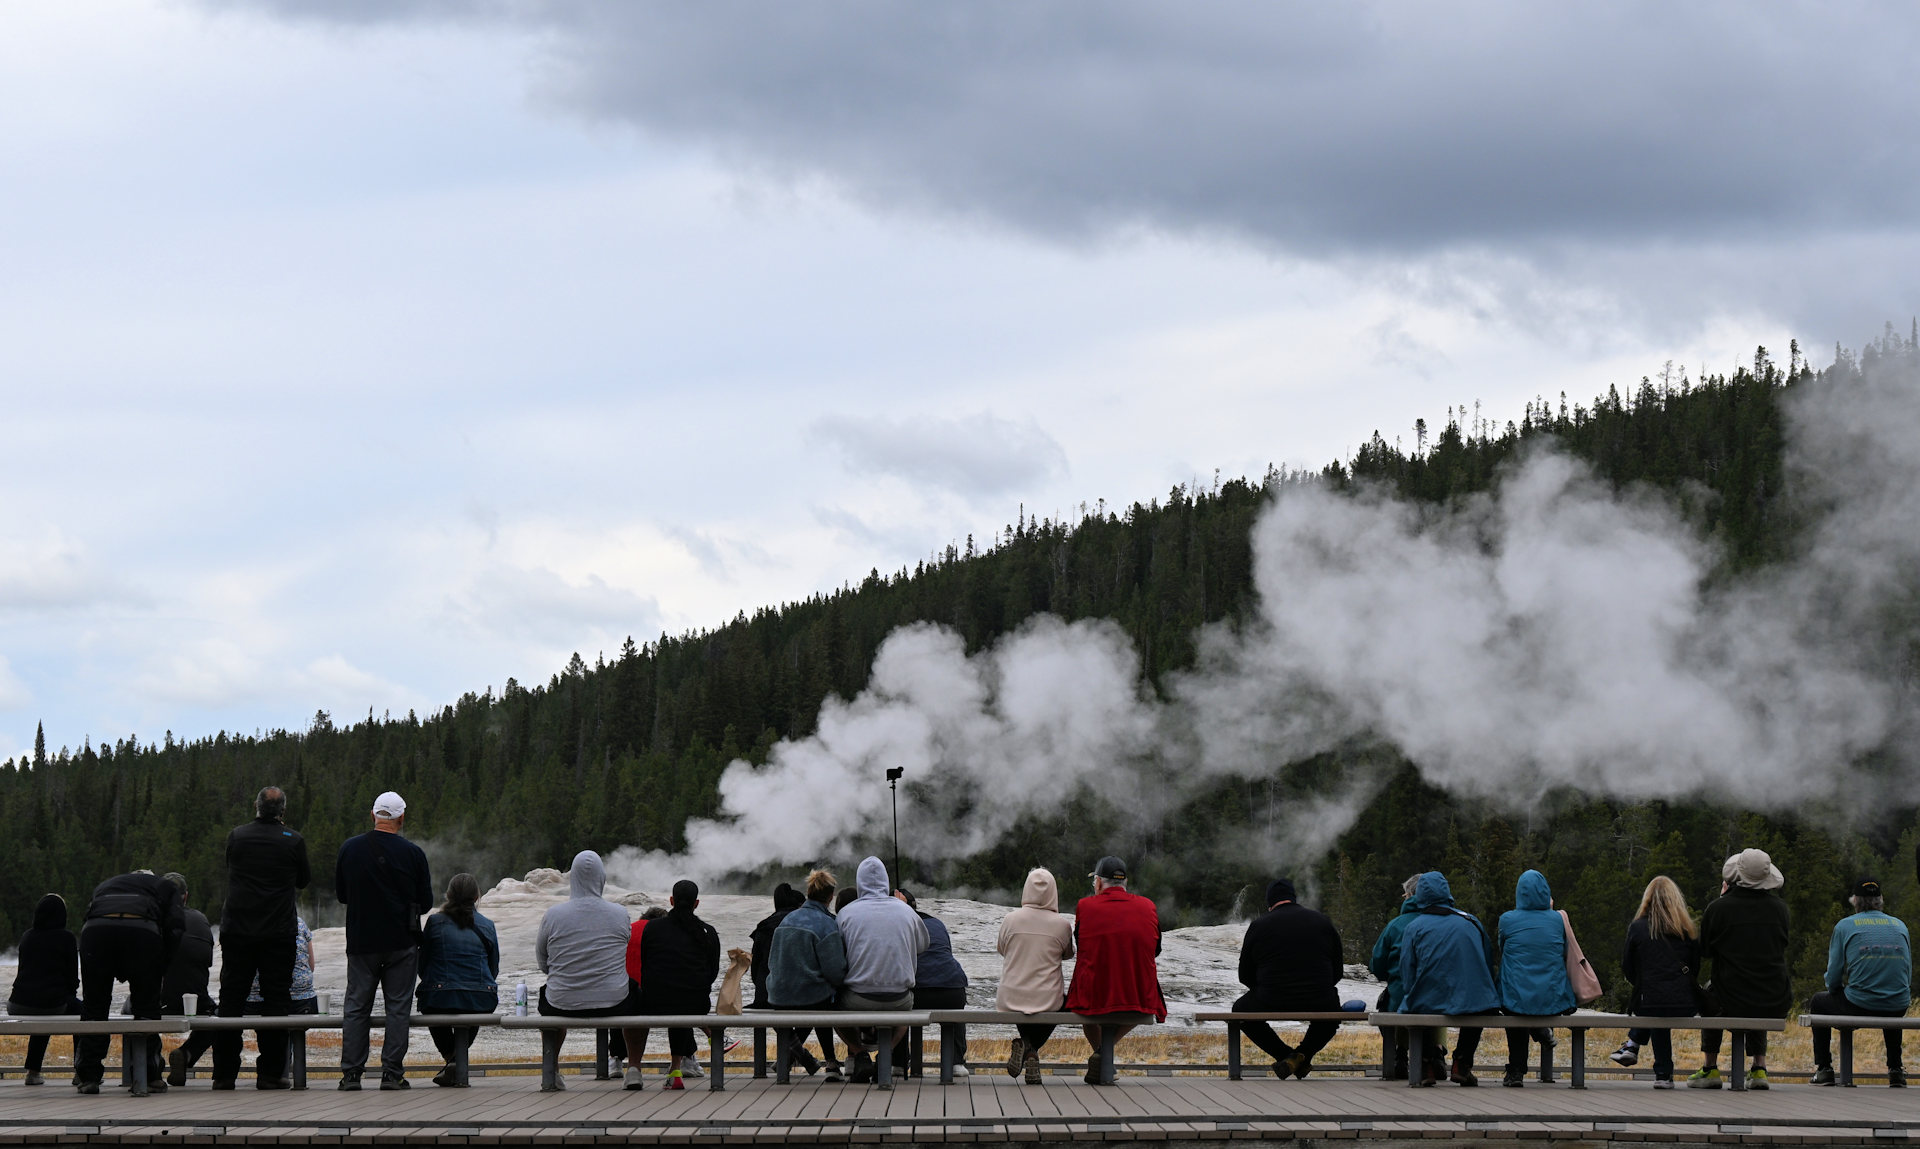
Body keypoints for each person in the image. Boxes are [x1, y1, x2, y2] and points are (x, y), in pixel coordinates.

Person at [335, 790, 433, 1091]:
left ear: (373, 815)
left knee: (356, 1007)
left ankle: (351, 1074)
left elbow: (342, 896)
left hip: (362, 940)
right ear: (401, 818)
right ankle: (392, 1074)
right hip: (401, 943)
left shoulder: (349, 849)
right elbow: (426, 902)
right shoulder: (413, 853)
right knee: (398, 1008)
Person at [214, 785, 310, 1090]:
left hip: (238, 928)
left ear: (256, 807)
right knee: (276, 1001)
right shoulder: (293, 840)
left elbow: (231, 865)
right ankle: (270, 1073)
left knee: (231, 1000)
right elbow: (304, 880)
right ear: (283, 811)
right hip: (277, 931)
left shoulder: (237, 836)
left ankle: (224, 1075)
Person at [73, 870, 185, 1095]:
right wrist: (161, 965)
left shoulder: (107, 883)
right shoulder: (168, 887)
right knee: (146, 1008)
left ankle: (88, 1077)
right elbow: (175, 927)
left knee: (95, 1007)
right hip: (141, 933)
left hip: (96, 933)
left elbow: (89, 917)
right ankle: (150, 1075)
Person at [533, 849, 635, 1092]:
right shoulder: (620, 913)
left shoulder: (553, 915)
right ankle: (634, 1069)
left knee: (548, 995)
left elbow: (542, 962)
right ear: (602, 878)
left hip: (562, 999)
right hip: (614, 999)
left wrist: (565, 975)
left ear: (573, 879)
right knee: (637, 996)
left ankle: (553, 1070)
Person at [1691, 848, 1790, 1090]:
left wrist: (1723, 900)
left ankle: (1710, 1068)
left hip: (1729, 998)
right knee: (1758, 990)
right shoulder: (1780, 909)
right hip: (1774, 996)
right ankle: (1759, 1068)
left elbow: (1704, 950)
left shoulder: (1719, 908)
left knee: (1711, 992)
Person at [1063, 855, 1168, 1085]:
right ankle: (1103, 1056)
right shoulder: (1148, 906)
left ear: (1099, 883)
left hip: (1094, 993)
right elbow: (1156, 949)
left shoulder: (1085, 906)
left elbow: (1082, 945)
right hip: (1138, 992)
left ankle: (1102, 1054)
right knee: (1138, 1007)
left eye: (1094, 882)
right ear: (1125, 882)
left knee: (1087, 1011)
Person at [1232, 878, 1344, 1080]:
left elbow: (1244, 975)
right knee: (1333, 1012)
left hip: (1272, 997)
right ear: (1293, 898)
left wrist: (1263, 989)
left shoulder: (1259, 925)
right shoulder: (1322, 921)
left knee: (1240, 1011)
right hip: (1318, 998)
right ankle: (1304, 1055)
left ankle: (1286, 1055)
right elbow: (1337, 972)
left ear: (1270, 902)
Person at [1397, 870, 1498, 1087]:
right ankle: (1462, 1063)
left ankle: (1426, 1065)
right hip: (1470, 999)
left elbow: (1407, 969)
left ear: (1420, 895)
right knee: (1478, 1005)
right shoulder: (1471, 922)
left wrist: (1410, 992)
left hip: (1428, 998)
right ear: (1446, 893)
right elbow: (1488, 964)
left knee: (1412, 1007)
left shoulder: (1414, 927)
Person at [1810, 878, 1910, 1088]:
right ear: (1880, 900)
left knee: (1819, 1001)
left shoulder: (1845, 926)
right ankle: (1896, 1070)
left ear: (1855, 901)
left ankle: (1824, 1069)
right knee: (1889, 995)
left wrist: (1835, 990)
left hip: (1859, 1004)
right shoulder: (1900, 925)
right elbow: (1905, 970)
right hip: (1898, 1004)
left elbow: (1834, 974)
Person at [835, 857, 928, 1084]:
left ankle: (858, 1053)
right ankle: (884, 1055)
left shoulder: (846, 914)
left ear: (859, 883)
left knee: (834, 1009)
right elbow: (923, 945)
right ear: (886, 882)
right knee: (905, 1014)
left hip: (857, 997)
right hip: (898, 998)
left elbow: (838, 953)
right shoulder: (906, 912)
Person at [627, 880, 721, 1090]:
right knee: (683, 996)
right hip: (697, 1004)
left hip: (655, 1002)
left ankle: (634, 1068)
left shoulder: (652, 928)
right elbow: (712, 973)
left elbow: (646, 966)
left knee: (663, 995)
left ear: (671, 900)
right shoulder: (708, 931)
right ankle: (675, 1069)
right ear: (696, 903)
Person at [1610, 875, 1701, 1089]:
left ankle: (1634, 1047)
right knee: (1660, 1005)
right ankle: (1660, 1072)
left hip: (1649, 1001)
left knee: (1654, 1005)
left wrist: (1643, 984)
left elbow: (1628, 966)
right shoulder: (1688, 929)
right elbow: (1695, 968)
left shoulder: (1638, 928)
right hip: (1684, 1003)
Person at [417, 874, 499, 1088]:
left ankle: (452, 1060)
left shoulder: (435, 922)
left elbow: (422, 965)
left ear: (449, 894)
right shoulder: (488, 925)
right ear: (476, 896)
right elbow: (493, 969)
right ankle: (455, 1062)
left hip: (439, 994)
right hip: (481, 997)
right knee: (475, 1003)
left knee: (431, 1005)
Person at [1495, 869, 1575, 1087]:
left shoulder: (1507, 920)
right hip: (1553, 998)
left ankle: (1516, 1071)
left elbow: (1502, 949)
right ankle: (1539, 1029)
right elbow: (1564, 951)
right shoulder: (1557, 920)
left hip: (1516, 999)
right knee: (1528, 1000)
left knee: (1515, 1009)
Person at [997, 867, 1075, 1085]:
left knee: (1024, 1002)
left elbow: (1002, 949)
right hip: (1047, 997)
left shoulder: (1009, 919)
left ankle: (1027, 1046)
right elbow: (1068, 955)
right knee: (1059, 1003)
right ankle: (1031, 1050)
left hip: (1010, 995)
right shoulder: (1062, 925)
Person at [768, 869, 847, 1081]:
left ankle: (791, 1056)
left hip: (777, 995)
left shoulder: (786, 920)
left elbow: (772, 962)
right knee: (823, 995)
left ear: (808, 892)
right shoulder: (827, 924)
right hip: (808, 996)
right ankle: (831, 1062)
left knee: (812, 993)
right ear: (831, 897)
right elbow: (835, 971)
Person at [891, 888, 969, 1077]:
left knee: (897, 1005)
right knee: (955, 1011)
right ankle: (956, 1062)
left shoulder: (895, 924)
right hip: (952, 988)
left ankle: (898, 1063)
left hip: (916, 991)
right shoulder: (937, 923)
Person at [6, 894, 81, 1086]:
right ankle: (82, 1071)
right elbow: (72, 977)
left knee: (42, 1011)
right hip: (52, 1003)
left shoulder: (27, 936)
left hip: (17, 1004)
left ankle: (33, 1072)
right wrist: (69, 995)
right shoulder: (66, 938)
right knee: (84, 1015)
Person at [160, 873, 216, 1086]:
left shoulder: (154, 920)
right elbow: (208, 963)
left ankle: (150, 1065)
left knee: (134, 1010)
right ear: (186, 896)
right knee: (216, 1019)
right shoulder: (201, 919)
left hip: (159, 1003)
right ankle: (187, 1054)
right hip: (197, 1002)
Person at [1368, 875, 1423, 1080]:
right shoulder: (1448, 921)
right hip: (1444, 998)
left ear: (1409, 896)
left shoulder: (1396, 925)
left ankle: (1399, 1055)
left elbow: (1377, 965)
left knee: (1392, 1002)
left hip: (1404, 996)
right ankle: (1436, 1054)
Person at [749, 883, 804, 1009]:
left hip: (766, 991)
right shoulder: (806, 924)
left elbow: (756, 964)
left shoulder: (764, 925)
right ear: (800, 905)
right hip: (801, 993)